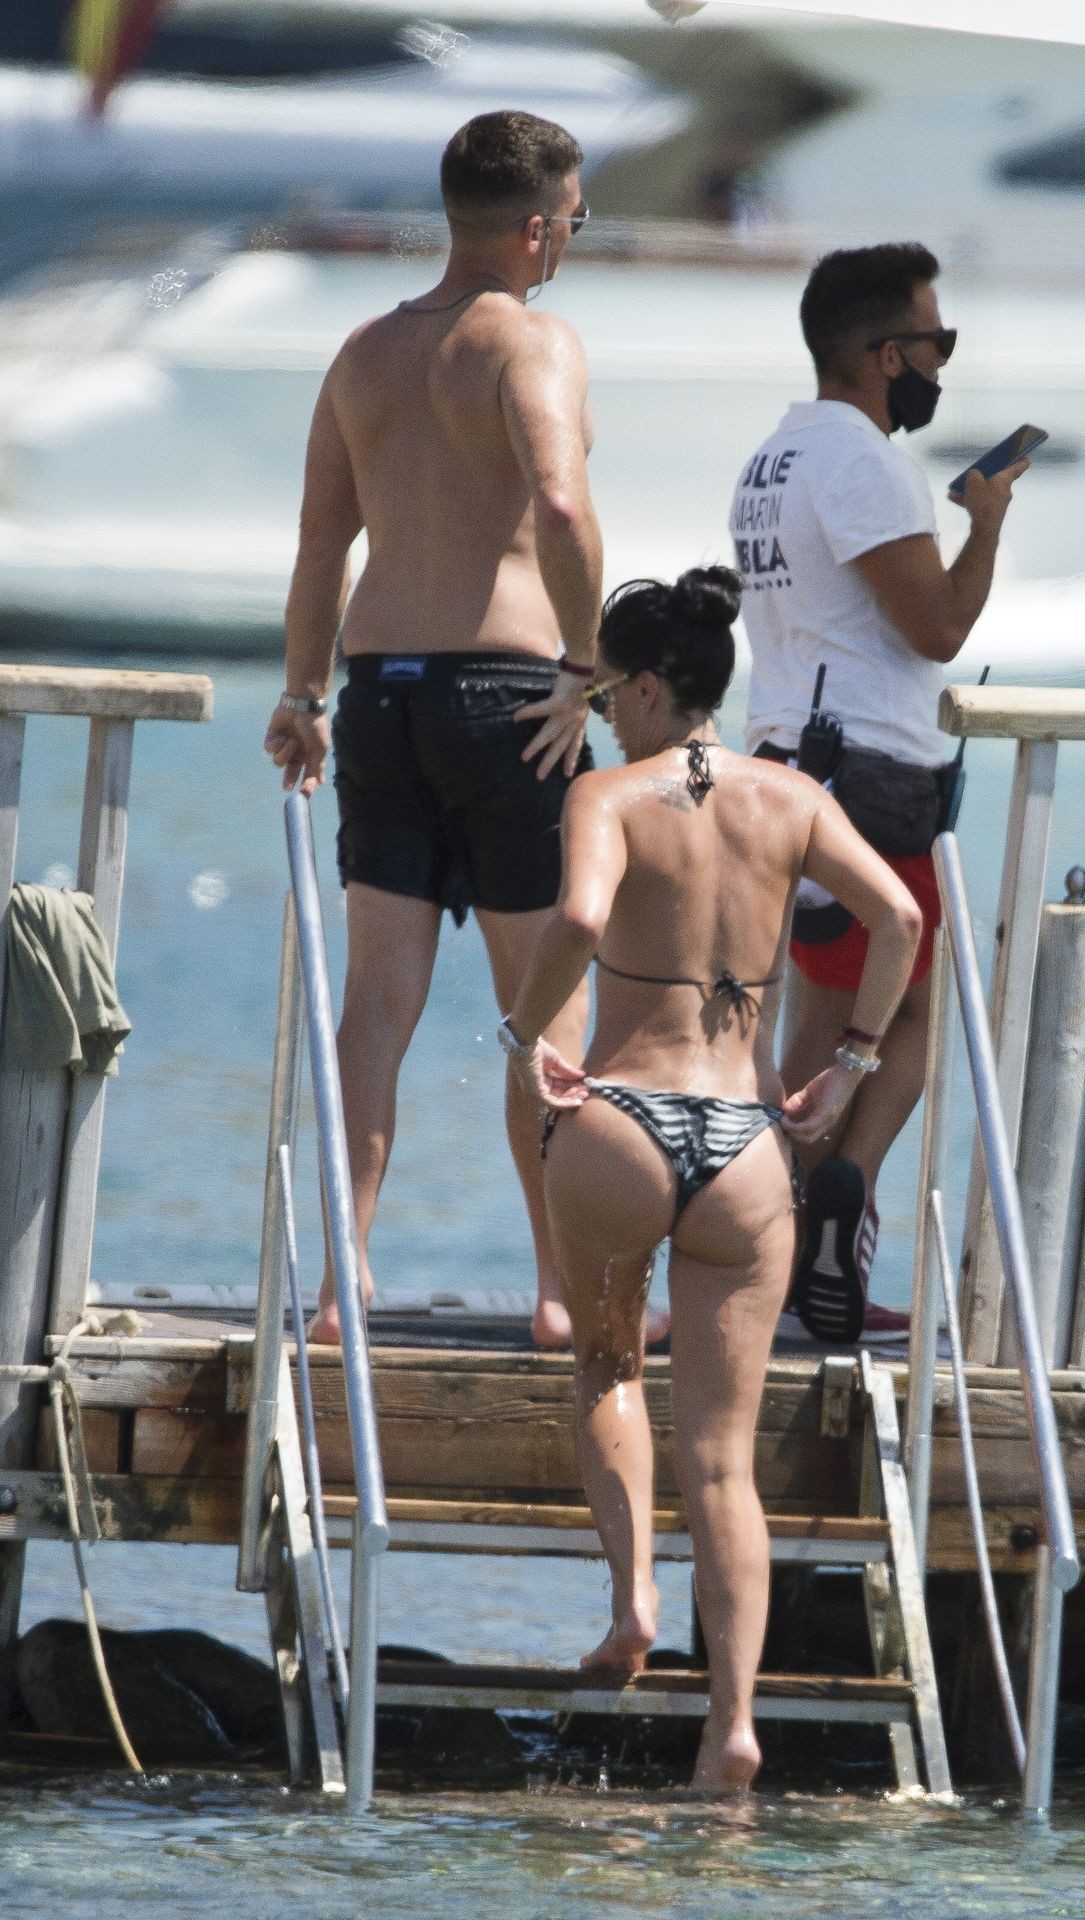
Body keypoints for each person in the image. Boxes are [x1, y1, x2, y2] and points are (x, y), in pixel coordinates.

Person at [501, 567, 921, 1789]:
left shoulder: (608, 793)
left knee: (608, 1367)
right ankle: (730, 1728)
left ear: (643, 688)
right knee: (724, 1458)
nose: (601, 717)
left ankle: (632, 1600)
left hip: (623, 1125)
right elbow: (898, 918)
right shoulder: (791, 797)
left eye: (606, 695)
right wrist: (848, 1065)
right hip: (743, 1145)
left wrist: (523, 1036)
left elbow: (581, 923)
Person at [264, 109, 612, 1351]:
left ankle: (340, 1276)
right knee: (542, 1008)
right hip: (507, 698)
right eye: (575, 220)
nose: (572, 238)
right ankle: (561, 1289)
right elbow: (560, 505)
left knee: (375, 1002)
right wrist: (587, 668)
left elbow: (321, 546)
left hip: (380, 694)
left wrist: (302, 697)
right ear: (536, 229)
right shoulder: (532, 342)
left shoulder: (362, 353)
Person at [730, 242, 1027, 1343]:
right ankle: (841, 1195)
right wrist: (984, 526)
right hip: (866, 771)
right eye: (935, 342)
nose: (941, 362)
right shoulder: (861, 460)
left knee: (818, 1016)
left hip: (783, 758)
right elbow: (936, 626)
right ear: (884, 353)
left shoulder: (772, 457)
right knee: (914, 1008)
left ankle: (771, 1255)